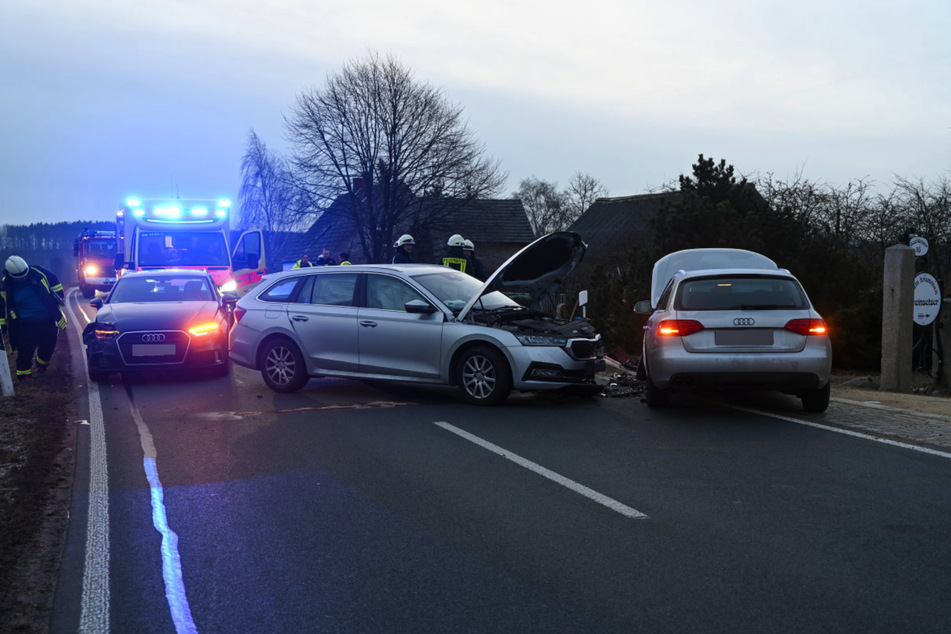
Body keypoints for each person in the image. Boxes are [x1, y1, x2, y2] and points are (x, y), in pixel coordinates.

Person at [0, 256, 68, 381]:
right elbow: (2, 307)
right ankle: (24, 375)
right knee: (25, 350)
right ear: (11, 275)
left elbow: (54, 281)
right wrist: (3, 327)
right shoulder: (6, 284)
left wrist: (59, 296)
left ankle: (41, 365)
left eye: (24, 275)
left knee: (48, 345)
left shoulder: (38, 273)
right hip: (25, 323)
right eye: (19, 277)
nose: (23, 278)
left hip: (47, 320)